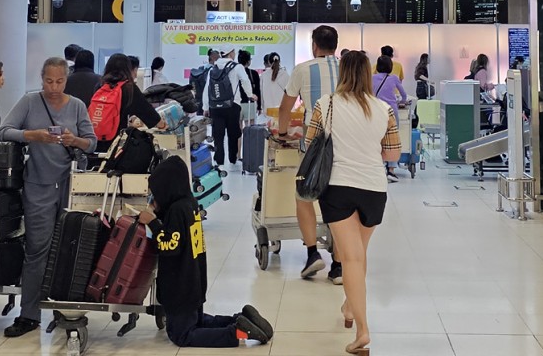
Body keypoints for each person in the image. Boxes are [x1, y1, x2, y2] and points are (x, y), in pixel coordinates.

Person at [303, 51, 401, 354]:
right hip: (373, 189)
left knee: (352, 259)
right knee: (358, 254)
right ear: (367, 74)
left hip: (338, 188)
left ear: (343, 72)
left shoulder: (326, 104)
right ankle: (349, 307)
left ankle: (362, 330)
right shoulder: (384, 109)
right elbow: (393, 155)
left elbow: (310, 144)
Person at [0, 57, 97, 337]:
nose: (54, 87)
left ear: (67, 80)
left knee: (68, 249)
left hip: (69, 186)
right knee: (37, 249)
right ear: (41, 79)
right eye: (48, 81)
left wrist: (73, 140)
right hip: (38, 185)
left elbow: (92, 142)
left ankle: (64, 308)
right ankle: (29, 314)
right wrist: (32, 135)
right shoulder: (30, 102)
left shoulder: (76, 105)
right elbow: (3, 133)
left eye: (59, 81)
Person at [138, 156, 275, 347]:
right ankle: (240, 319)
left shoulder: (176, 211)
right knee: (197, 322)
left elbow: (170, 245)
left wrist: (152, 221)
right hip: (194, 282)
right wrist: (158, 212)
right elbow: (180, 232)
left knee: (182, 335)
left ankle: (236, 332)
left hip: (180, 288)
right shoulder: (189, 204)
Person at [279, 25, 342, 283]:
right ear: (335, 46)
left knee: (304, 197)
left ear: (314, 46)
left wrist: (282, 133)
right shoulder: (348, 69)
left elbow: (285, 108)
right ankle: (338, 266)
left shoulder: (302, 70)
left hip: (313, 146)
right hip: (345, 146)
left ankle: (312, 253)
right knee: (339, 203)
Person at [202, 48, 255, 168]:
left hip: (215, 106)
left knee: (218, 134)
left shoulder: (213, 68)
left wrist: (206, 107)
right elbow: (245, 81)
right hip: (232, 105)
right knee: (233, 132)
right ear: (231, 53)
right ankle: (232, 158)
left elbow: (207, 88)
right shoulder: (237, 67)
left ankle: (219, 159)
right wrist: (250, 95)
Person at [98, 54, 166, 137]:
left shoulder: (100, 86)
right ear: (127, 69)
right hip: (116, 141)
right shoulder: (128, 88)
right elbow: (148, 112)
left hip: (94, 139)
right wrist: (162, 125)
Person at [372, 55, 409, 183]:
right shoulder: (394, 78)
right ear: (390, 67)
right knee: (393, 140)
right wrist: (401, 102)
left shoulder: (371, 78)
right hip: (391, 111)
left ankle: (378, 167)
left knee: (376, 139)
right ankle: (391, 170)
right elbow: (403, 94)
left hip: (375, 111)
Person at [238, 50, 262, 115]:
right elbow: (257, 90)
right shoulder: (254, 73)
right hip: (250, 103)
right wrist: (259, 106)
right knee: (250, 124)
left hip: (237, 103)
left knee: (237, 124)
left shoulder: (234, 73)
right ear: (248, 61)